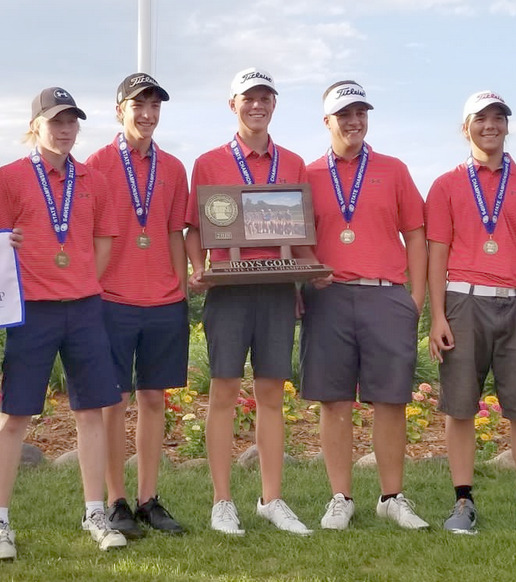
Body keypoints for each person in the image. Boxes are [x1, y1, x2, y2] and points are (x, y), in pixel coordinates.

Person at [425, 90, 516, 538]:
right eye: (480, 118)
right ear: (464, 127)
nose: (490, 125)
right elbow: (437, 253)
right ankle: (463, 502)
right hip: (463, 300)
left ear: (508, 125)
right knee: (461, 408)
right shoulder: (446, 184)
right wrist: (436, 316)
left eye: (498, 118)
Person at [0, 87, 127, 553]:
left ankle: (95, 513)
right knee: (15, 416)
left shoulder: (94, 179)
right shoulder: (9, 179)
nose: (64, 131)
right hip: (32, 311)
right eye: (55, 122)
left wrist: (82, 279)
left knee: (91, 413)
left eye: (71, 122)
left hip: (85, 308)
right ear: (36, 126)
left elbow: (104, 242)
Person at [185, 67, 312, 536]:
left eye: (264, 98)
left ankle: (271, 499)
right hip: (229, 291)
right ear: (232, 105)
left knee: (272, 396)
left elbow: (299, 234)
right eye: (247, 98)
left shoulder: (293, 163)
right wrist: (197, 268)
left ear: (273, 105)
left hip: (278, 290)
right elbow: (194, 228)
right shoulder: (208, 162)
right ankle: (223, 501)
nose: (256, 106)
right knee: (223, 394)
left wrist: (311, 274)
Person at [301, 81, 430, 531]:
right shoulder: (308, 173)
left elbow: (415, 233)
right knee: (334, 402)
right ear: (327, 122)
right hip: (329, 298)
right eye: (344, 114)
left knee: (390, 401)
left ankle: (391, 496)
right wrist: (305, 277)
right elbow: (296, 240)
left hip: (385, 295)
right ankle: (341, 497)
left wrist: (414, 297)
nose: (354, 121)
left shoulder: (393, 169)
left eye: (361, 112)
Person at [85, 73, 189, 538]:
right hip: (112, 297)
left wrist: (182, 283)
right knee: (114, 401)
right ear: (119, 110)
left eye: (154, 106)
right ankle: (116, 500)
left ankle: (148, 498)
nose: (147, 115)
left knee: (153, 399)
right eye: (138, 105)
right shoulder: (96, 164)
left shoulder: (173, 168)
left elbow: (172, 231)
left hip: (164, 298)